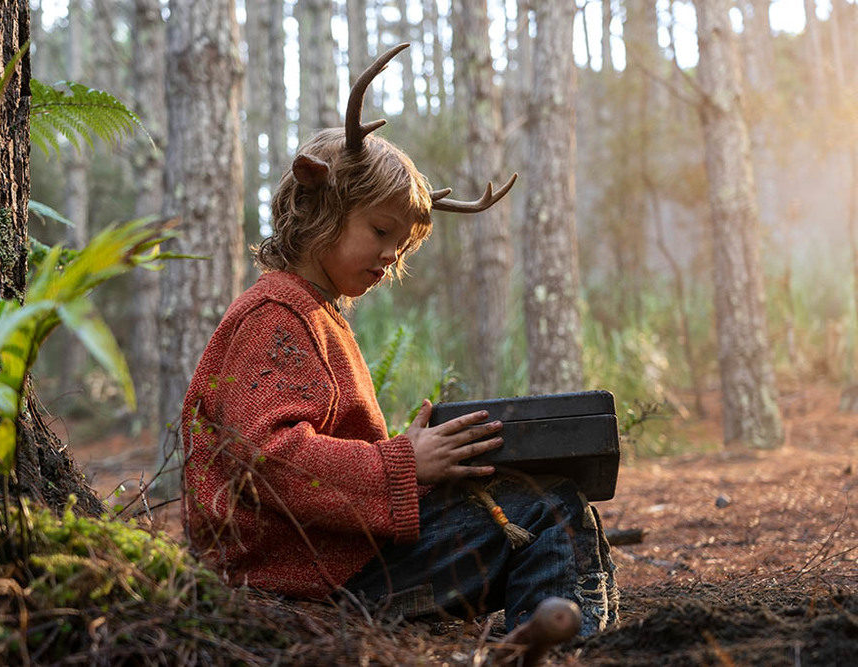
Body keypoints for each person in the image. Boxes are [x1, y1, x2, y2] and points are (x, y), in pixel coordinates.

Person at [181, 44, 617, 640]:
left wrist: (415, 462)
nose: (390, 258)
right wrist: (404, 463)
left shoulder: (311, 311)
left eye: (402, 246)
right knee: (551, 510)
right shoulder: (275, 315)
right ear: (318, 201)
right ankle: (567, 649)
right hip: (305, 586)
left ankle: (549, 637)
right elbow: (271, 457)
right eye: (381, 231)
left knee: (553, 503)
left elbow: (309, 450)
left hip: (330, 568)